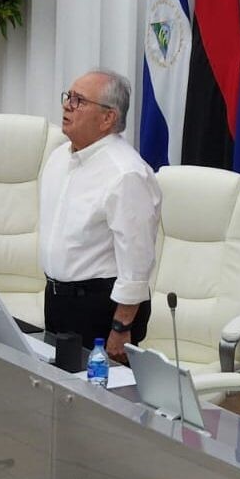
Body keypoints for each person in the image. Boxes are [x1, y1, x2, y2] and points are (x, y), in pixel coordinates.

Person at [39, 69, 161, 360]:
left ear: (108, 118)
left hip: (101, 310)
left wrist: (121, 326)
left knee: (100, 400)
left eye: (79, 101)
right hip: (57, 299)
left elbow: (137, 261)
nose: (67, 105)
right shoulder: (59, 157)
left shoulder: (126, 173)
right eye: (69, 97)